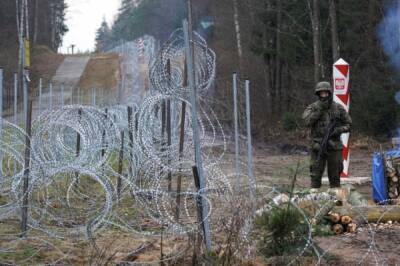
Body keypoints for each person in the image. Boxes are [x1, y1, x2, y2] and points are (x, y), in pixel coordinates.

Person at [302, 81, 352, 188]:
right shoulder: (313, 107)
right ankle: (314, 200)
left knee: (335, 176)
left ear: (329, 93)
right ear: (318, 94)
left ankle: (337, 200)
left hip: (334, 145)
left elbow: (348, 124)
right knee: (315, 175)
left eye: (325, 93)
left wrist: (338, 130)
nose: (323, 95)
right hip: (318, 145)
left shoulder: (338, 108)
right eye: (321, 93)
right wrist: (319, 110)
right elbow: (306, 122)